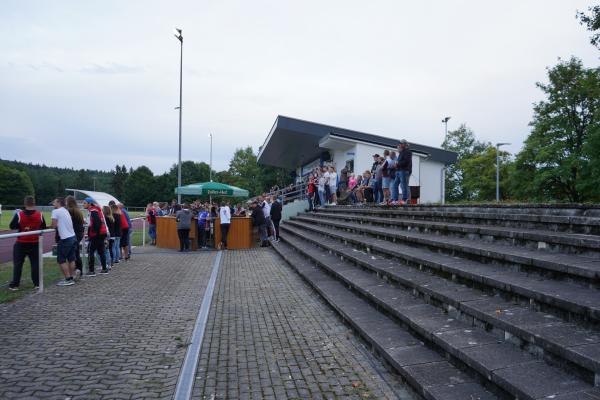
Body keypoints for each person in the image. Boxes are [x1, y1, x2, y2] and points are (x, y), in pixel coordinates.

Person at [8, 196, 46, 290]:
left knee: (18, 264)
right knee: (35, 264)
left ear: (25, 204)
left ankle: (15, 284)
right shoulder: (40, 214)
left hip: (21, 242)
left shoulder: (19, 214)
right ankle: (37, 284)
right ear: (34, 203)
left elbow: (12, 226)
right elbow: (43, 227)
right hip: (35, 242)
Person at [51, 197, 77, 286]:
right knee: (71, 258)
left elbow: (53, 225)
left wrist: (49, 227)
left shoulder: (56, 211)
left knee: (61, 259)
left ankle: (68, 279)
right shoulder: (65, 210)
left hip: (66, 239)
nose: (53, 204)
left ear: (58, 202)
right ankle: (72, 277)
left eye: (54, 202)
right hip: (73, 237)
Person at [83, 198, 109, 275]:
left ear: (89, 204)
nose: (83, 204)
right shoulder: (96, 210)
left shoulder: (93, 211)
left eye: (85, 203)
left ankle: (91, 271)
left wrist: (93, 233)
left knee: (91, 251)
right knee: (101, 252)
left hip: (96, 235)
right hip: (101, 234)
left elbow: (97, 223)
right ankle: (104, 269)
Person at [66, 195, 85, 279]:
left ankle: (76, 271)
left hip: (75, 233)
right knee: (76, 252)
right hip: (79, 233)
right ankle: (79, 271)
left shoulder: (71, 211)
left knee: (74, 253)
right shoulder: (78, 210)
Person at [397, 139, 413, 204]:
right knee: (403, 185)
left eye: (400, 144)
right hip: (402, 170)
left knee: (404, 185)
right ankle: (407, 199)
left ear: (404, 144)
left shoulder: (407, 152)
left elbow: (405, 162)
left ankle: (406, 199)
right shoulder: (402, 152)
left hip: (405, 170)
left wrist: (398, 163)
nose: (399, 145)